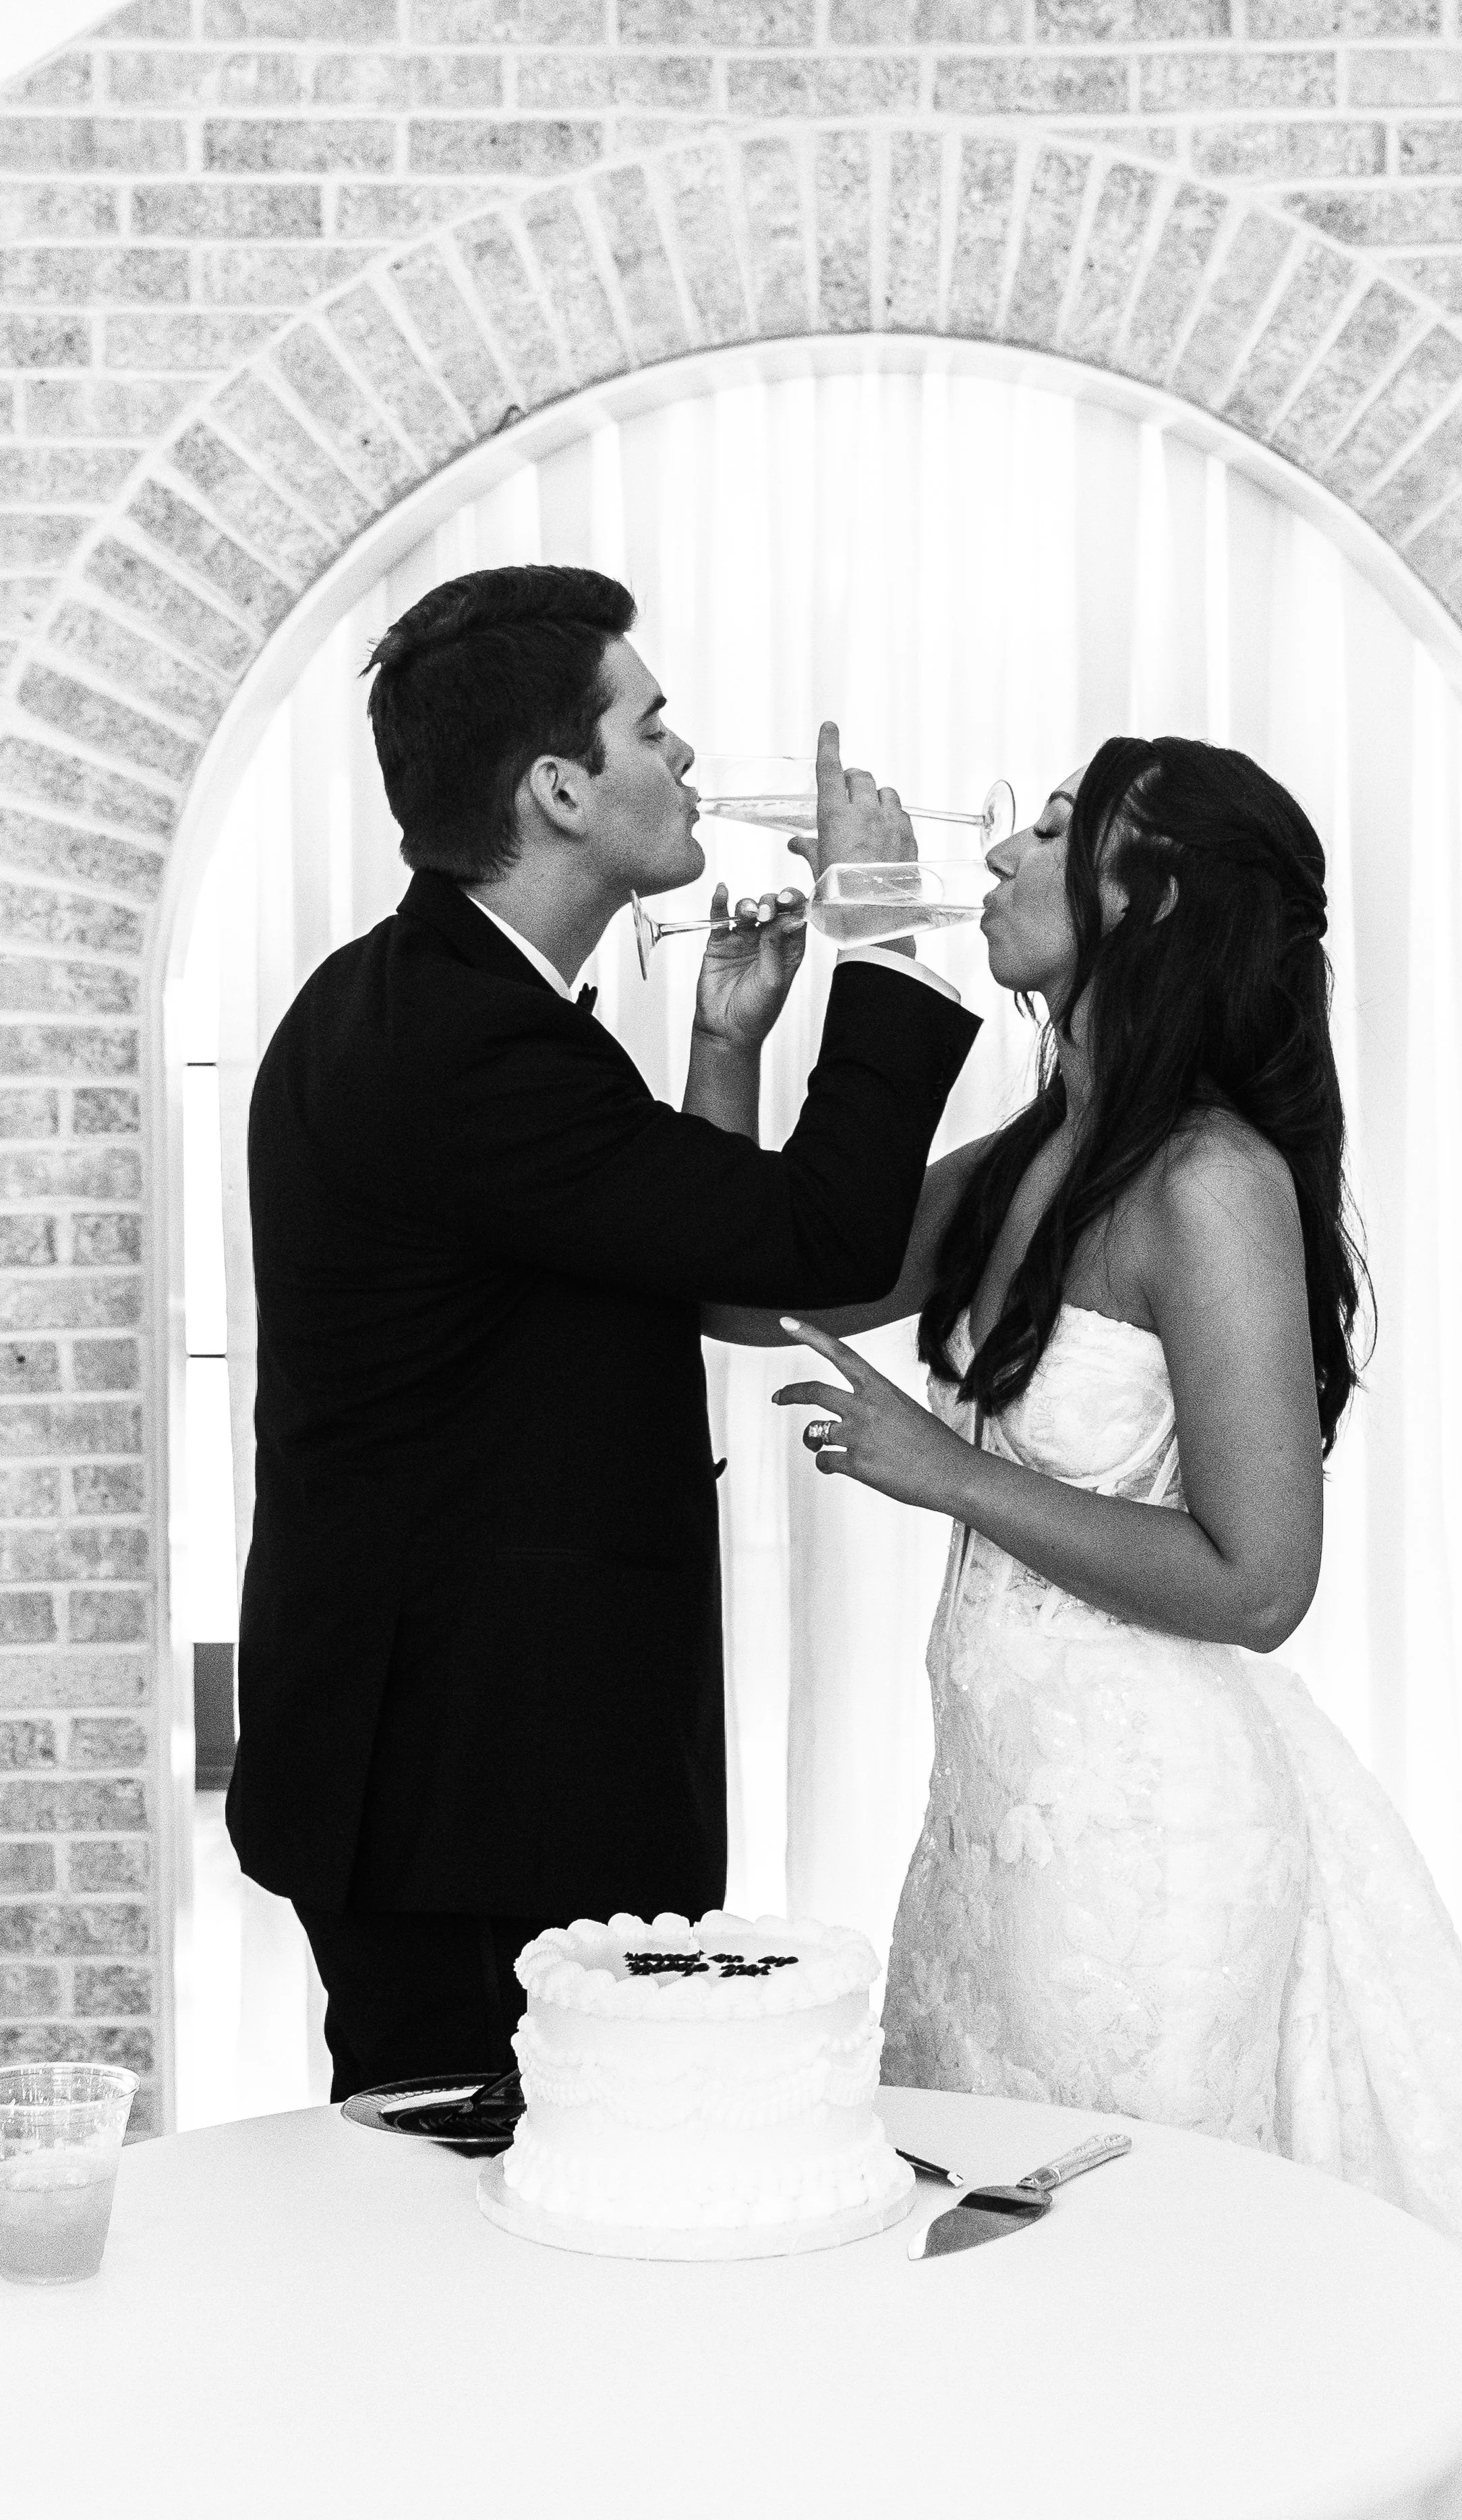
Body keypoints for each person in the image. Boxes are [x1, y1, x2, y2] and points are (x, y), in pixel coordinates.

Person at [709, 734, 1462, 2516]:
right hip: (996, 1828)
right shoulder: (1042, 1149)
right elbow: (748, 1280)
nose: (1008, 850)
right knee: (993, 2290)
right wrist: (734, 1031)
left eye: (1055, 827)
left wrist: (939, 1473)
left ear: (1151, 895)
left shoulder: (1209, 1182)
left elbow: (1258, 1579)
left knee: (1132, 2305)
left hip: (1148, 1853)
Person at [225, 562, 980, 2099]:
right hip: (468, 1795)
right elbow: (816, 1241)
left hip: (453, 1768)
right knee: (481, 2231)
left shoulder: (417, 1003)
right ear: (561, 788)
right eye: (653, 725)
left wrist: (720, 1044)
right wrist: (882, 924)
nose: (686, 757)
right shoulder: (471, 1051)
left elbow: (686, 1266)